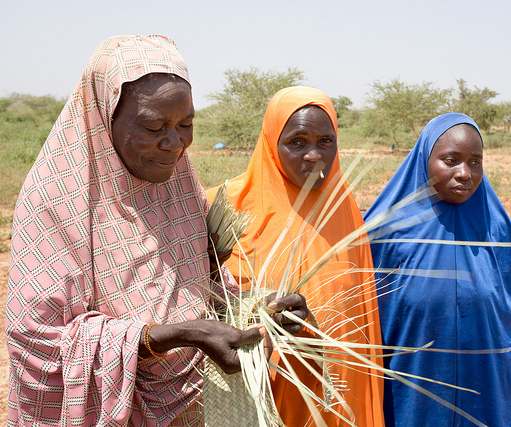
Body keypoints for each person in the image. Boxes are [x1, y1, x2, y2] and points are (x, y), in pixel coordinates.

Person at [5, 35, 308, 426]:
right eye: (152, 126)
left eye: (187, 124)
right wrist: (179, 335)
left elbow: (206, 287)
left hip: (194, 407)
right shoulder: (57, 199)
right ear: (104, 117)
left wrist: (261, 312)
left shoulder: (178, 185)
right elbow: (40, 342)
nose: (175, 144)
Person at [205, 86, 385, 426]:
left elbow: (359, 317)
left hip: (335, 390)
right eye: (297, 142)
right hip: (253, 393)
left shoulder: (345, 212)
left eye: (325, 142)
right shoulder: (226, 207)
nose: (314, 155)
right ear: (272, 142)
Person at [362, 113, 511, 427]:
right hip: (408, 395)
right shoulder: (386, 234)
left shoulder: (500, 234)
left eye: (475, 162)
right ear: (424, 159)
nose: (465, 173)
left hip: (482, 394)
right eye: (450, 160)